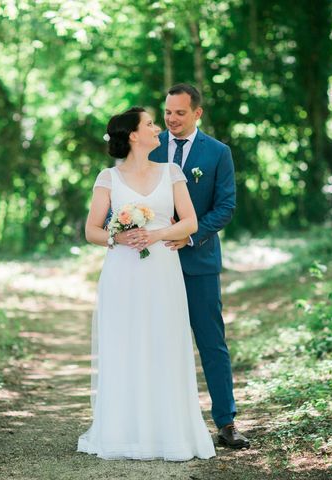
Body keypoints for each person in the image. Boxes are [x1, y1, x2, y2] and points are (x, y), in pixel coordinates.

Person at [78, 107, 216, 461]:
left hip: (162, 271)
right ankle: (125, 431)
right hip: (122, 272)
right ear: (134, 136)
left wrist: (156, 234)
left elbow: (190, 222)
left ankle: (169, 432)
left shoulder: (172, 172)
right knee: (126, 344)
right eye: (151, 123)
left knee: (164, 342)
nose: (159, 127)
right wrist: (117, 239)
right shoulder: (108, 178)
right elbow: (92, 229)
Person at [148, 84, 249, 449]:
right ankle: (161, 421)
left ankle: (226, 422)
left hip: (199, 260)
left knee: (211, 342)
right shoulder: (150, 145)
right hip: (153, 262)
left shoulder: (218, 153)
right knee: (157, 341)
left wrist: (190, 236)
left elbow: (225, 206)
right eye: (168, 113)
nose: (171, 120)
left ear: (197, 113)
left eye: (179, 113)